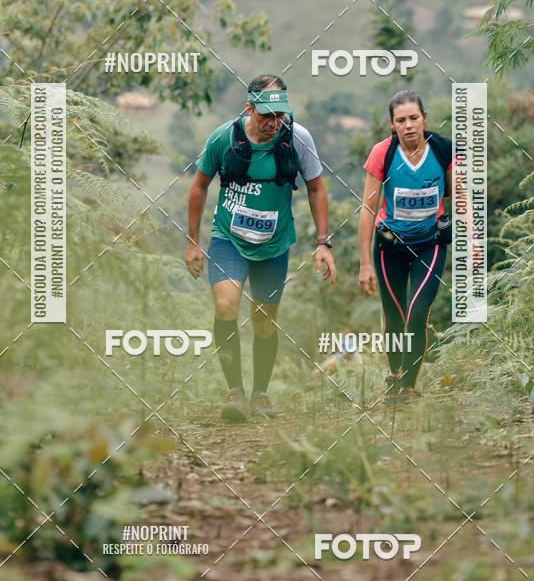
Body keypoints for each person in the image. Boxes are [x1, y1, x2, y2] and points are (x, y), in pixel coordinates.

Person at [185, 74, 336, 421]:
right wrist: (193, 242)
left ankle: (261, 394)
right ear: (249, 108)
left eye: (279, 115)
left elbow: (317, 189)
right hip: (229, 239)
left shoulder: (298, 138)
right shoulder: (224, 137)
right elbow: (199, 186)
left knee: (265, 322)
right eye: (266, 115)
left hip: (274, 244)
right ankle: (234, 392)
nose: (274, 122)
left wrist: (323, 242)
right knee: (226, 306)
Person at [358, 90, 460, 403]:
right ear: (392, 125)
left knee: (417, 314)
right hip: (390, 247)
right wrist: (364, 263)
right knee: (395, 316)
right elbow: (368, 209)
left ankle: (409, 389)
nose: (409, 125)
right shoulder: (383, 154)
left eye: (414, 118)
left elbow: (461, 197)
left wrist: (473, 241)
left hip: (430, 245)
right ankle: (394, 377)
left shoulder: (443, 150)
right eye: (401, 120)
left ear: (424, 119)